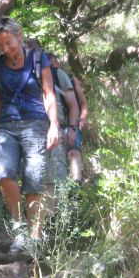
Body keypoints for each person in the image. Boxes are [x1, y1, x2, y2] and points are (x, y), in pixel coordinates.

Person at [0, 17, 59, 241]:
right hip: (6, 126)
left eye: (9, 43)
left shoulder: (38, 58)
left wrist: (54, 125)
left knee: (34, 179)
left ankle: (35, 235)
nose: (5, 49)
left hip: (35, 123)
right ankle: (19, 228)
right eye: (1, 45)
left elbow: (49, 94)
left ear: (20, 36)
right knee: (4, 175)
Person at [43, 53, 79, 212]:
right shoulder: (25, 72)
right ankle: (46, 215)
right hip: (33, 130)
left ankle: (60, 215)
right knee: (41, 174)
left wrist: (72, 128)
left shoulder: (59, 74)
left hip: (57, 127)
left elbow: (74, 105)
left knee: (58, 171)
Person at [49, 54, 87, 182]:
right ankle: (61, 184)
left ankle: (76, 182)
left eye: (54, 64)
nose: (52, 67)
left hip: (72, 120)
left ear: (58, 64)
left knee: (73, 151)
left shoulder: (70, 79)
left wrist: (82, 117)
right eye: (49, 65)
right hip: (57, 123)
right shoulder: (46, 80)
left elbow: (82, 103)